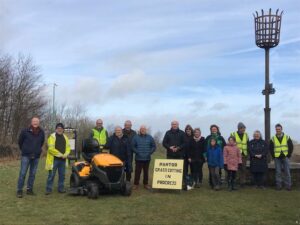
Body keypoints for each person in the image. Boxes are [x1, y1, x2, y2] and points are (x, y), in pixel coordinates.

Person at [17, 117, 45, 198]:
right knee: (22, 173)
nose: (35, 122)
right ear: (31, 122)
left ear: (39, 123)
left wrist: (37, 150)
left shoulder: (41, 132)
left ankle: (29, 189)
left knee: (32, 174)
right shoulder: (25, 131)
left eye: (37, 121)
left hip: (36, 156)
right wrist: (24, 149)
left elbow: (41, 142)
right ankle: (19, 190)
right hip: (26, 155)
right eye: (34, 121)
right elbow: (20, 142)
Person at [45, 123, 71, 194]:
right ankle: (48, 189)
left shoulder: (65, 137)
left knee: (62, 175)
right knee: (51, 175)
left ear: (63, 130)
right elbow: (50, 149)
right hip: (54, 160)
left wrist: (65, 154)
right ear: (56, 129)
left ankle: (61, 188)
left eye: (61, 128)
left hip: (63, 160)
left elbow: (68, 148)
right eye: (58, 128)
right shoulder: (52, 137)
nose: (59, 129)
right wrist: (60, 155)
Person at [270, 124, 294, 191]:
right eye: (277, 129)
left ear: (281, 129)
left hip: (285, 157)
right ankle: (278, 186)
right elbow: (271, 148)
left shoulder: (287, 137)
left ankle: (288, 186)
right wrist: (273, 156)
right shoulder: (273, 138)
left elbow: (291, 147)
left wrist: (288, 155)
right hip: (277, 158)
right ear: (275, 130)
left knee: (287, 172)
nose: (278, 130)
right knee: (278, 172)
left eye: (279, 129)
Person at [132, 125, 156, 190]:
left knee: (146, 172)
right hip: (138, 158)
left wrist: (149, 152)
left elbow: (153, 146)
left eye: (144, 129)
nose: (143, 130)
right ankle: (136, 184)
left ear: (146, 130)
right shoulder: (135, 137)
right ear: (140, 130)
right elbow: (133, 146)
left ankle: (146, 184)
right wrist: (137, 152)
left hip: (147, 158)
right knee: (137, 172)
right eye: (142, 129)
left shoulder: (150, 137)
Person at [231, 122, 249, 187]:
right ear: (239, 128)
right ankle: (235, 181)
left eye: (244, 128)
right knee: (235, 168)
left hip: (244, 155)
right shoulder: (233, 134)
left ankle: (243, 182)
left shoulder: (246, 135)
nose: (243, 129)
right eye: (242, 128)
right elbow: (231, 144)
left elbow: (248, 144)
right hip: (235, 155)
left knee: (243, 169)